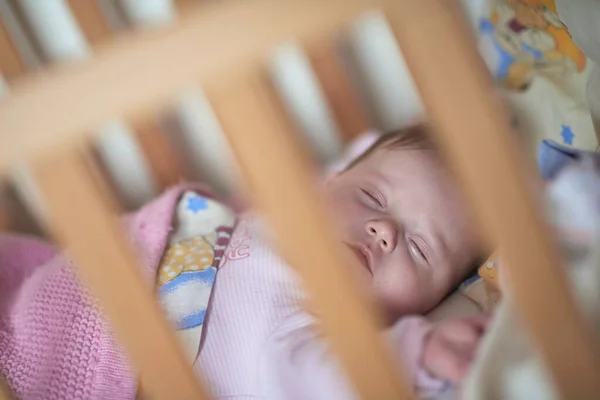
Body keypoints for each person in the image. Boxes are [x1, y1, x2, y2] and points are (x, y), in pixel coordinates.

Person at [0, 125, 487, 400]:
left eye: (421, 250)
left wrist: (417, 353)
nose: (385, 231)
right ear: (328, 183)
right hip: (61, 296)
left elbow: (327, 377)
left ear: (429, 303)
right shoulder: (279, 212)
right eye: (372, 196)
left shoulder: (312, 323)